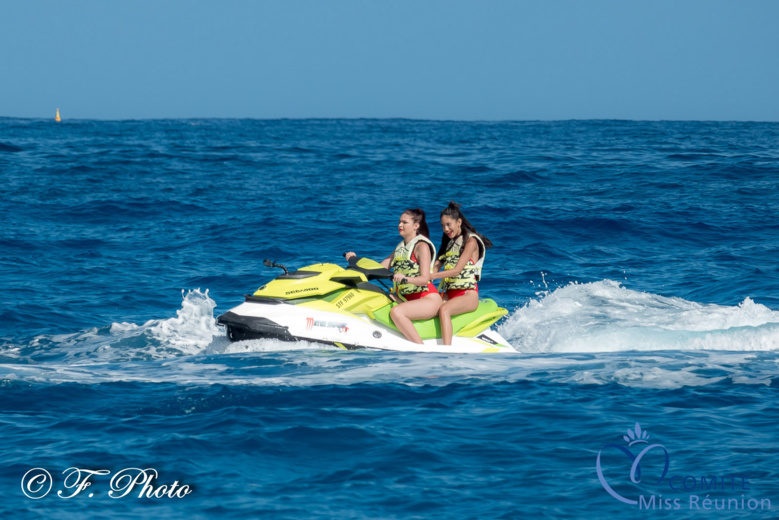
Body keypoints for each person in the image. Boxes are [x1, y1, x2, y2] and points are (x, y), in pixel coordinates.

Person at [345, 209, 442, 344]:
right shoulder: (400, 248)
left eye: (404, 222)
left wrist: (405, 278)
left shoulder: (422, 246)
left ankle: (420, 348)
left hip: (427, 300)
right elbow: (379, 268)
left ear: (416, 225)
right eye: (399, 222)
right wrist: (355, 260)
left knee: (397, 312)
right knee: (378, 296)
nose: (400, 225)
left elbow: (424, 279)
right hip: (406, 298)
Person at [431, 201, 493, 345]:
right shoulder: (448, 243)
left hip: (467, 295)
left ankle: (447, 350)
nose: (445, 229)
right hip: (449, 293)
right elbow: (435, 267)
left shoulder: (471, 242)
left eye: (448, 224)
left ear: (458, 222)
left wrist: (432, 276)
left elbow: (457, 271)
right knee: (428, 305)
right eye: (442, 226)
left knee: (444, 309)